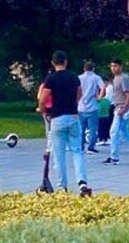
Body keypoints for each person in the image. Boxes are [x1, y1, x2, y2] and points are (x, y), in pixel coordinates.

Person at [38, 50, 91, 196]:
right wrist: (74, 103)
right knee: (77, 151)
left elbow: (43, 99)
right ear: (66, 62)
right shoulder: (74, 77)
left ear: (53, 63)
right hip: (73, 117)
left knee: (59, 154)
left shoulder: (51, 79)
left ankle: (62, 187)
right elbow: (79, 93)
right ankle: (82, 183)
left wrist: (43, 110)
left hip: (57, 119)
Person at [78, 60, 104, 154]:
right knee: (93, 129)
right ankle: (91, 147)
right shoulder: (96, 78)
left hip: (81, 106)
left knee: (81, 129)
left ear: (84, 68)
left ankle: (80, 147)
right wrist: (99, 97)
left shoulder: (79, 78)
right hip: (93, 107)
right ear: (93, 68)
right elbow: (103, 87)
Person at [96, 77, 113, 146]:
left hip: (109, 105)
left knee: (105, 122)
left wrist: (99, 98)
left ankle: (104, 137)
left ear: (105, 81)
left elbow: (108, 98)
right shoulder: (109, 87)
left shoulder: (109, 88)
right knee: (107, 122)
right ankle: (105, 137)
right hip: (108, 105)